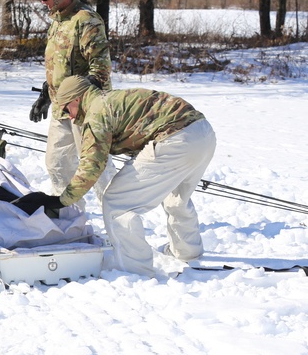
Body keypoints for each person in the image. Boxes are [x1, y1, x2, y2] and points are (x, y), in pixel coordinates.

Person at [12, 76, 217, 277]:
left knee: (118, 204)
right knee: (177, 197)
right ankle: (188, 251)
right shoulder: (110, 99)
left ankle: (136, 270)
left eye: (67, 109)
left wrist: (60, 200)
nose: (70, 117)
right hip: (202, 132)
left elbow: (92, 166)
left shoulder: (96, 114)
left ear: (76, 98)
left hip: (174, 141)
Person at [28, 0, 113, 195]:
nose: (43, 2)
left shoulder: (86, 20)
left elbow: (100, 71)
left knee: (97, 174)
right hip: (61, 109)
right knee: (57, 166)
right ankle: (69, 222)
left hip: (85, 111)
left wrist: (83, 105)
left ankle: (119, 227)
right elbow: (61, 65)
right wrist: (47, 93)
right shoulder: (58, 21)